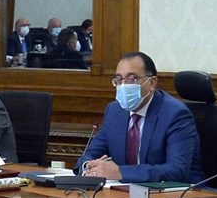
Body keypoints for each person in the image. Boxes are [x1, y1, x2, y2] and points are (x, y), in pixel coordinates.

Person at [77, 52, 202, 184]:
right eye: (119, 80)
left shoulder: (175, 114)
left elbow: (176, 170)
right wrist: (88, 166)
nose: (123, 86)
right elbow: (91, 153)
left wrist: (120, 172)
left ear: (152, 83)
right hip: (126, 191)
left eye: (132, 79)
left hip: (182, 192)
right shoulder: (114, 111)